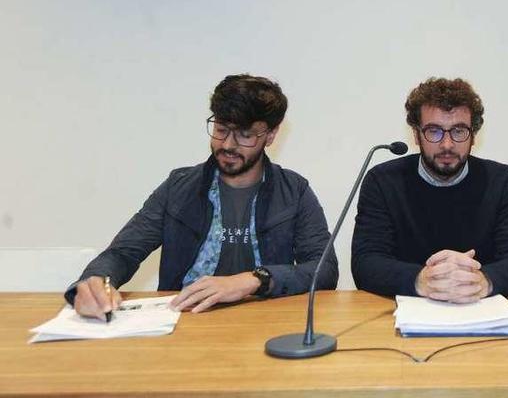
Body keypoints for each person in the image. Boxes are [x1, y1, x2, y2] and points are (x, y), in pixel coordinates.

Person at [67, 74, 337, 318]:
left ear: (270, 135)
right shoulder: (179, 187)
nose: (228, 145)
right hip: (185, 320)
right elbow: (123, 252)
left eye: (244, 135)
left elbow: (324, 269)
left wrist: (255, 279)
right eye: (221, 130)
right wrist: (95, 282)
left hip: (265, 322)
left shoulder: (294, 191)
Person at [352, 77, 508, 303]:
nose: (447, 144)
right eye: (434, 131)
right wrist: (422, 279)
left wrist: (482, 281)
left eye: (459, 131)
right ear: (416, 134)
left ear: (474, 135)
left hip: (480, 310)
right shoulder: (382, 181)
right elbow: (366, 263)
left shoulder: (503, 181)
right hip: (403, 315)